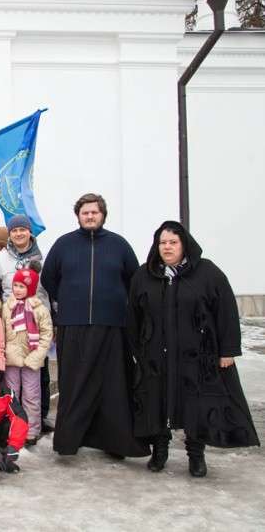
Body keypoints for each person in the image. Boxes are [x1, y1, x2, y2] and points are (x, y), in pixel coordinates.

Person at [127, 220, 260, 477]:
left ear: (184, 244)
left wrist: (228, 351)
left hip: (197, 356)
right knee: (156, 401)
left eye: (173, 242)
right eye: (162, 242)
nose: (167, 247)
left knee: (195, 404)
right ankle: (160, 450)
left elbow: (226, 313)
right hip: (155, 355)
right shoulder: (145, 275)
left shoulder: (207, 273)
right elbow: (133, 316)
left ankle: (196, 455)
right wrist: (137, 351)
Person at [40, 193, 149, 458]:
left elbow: (133, 279)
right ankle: (69, 442)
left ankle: (116, 442)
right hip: (73, 325)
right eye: (85, 212)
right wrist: (68, 302)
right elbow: (49, 278)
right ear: (78, 215)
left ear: (103, 215)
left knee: (113, 386)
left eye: (94, 212)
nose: (89, 216)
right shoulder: (64, 244)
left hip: (111, 325)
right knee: (74, 383)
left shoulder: (118, 245)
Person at [0, 214, 51, 428]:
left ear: (29, 231)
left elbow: (52, 291)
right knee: (11, 381)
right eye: (14, 231)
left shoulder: (43, 258)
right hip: (11, 328)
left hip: (37, 327)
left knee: (38, 379)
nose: (19, 234)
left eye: (22, 229)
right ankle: (13, 424)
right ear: (10, 234)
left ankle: (36, 421)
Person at [2, 268, 52, 446]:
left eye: (22, 286)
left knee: (32, 395)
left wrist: (38, 355)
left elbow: (47, 334)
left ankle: (31, 430)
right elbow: (2, 331)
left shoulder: (39, 309)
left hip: (32, 358)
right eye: (15, 285)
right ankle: (12, 427)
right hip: (12, 358)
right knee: (11, 395)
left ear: (30, 289)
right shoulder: (7, 307)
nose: (17, 289)